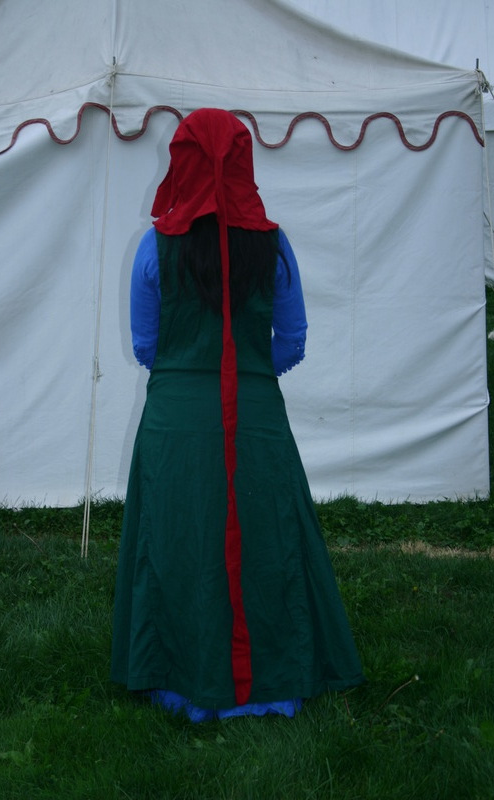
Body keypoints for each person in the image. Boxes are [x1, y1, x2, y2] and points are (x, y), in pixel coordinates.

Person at [111, 108, 364, 721]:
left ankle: (179, 681)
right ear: (244, 163)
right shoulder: (274, 245)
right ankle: (274, 683)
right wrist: (247, 369)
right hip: (255, 413)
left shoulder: (154, 245)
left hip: (177, 416)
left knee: (178, 539)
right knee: (266, 536)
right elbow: (293, 340)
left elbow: (147, 346)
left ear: (182, 162)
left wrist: (194, 371)